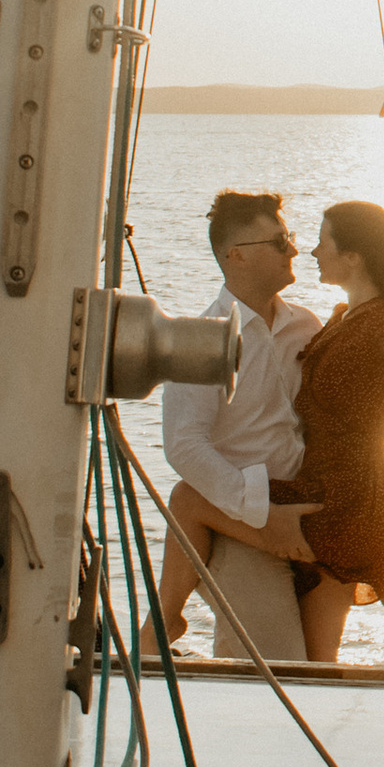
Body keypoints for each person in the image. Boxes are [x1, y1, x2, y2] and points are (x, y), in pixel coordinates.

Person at [277, 199, 384, 664]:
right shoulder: (344, 316)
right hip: (320, 481)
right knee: (306, 650)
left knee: (317, 657)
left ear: (352, 256)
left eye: (322, 241)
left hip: (348, 497)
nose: (312, 251)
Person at [153, 191, 323, 643]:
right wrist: (260, 515)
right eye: (279, 240)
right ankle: (163, 626)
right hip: (237, 524)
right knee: (275, 660)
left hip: (302, 511)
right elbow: (183, 446)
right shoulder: (204, 341)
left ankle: (163, 620)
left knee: (319, 659)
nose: (294, 249)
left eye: (289, 237)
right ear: (236, 257)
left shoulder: (307, 326)